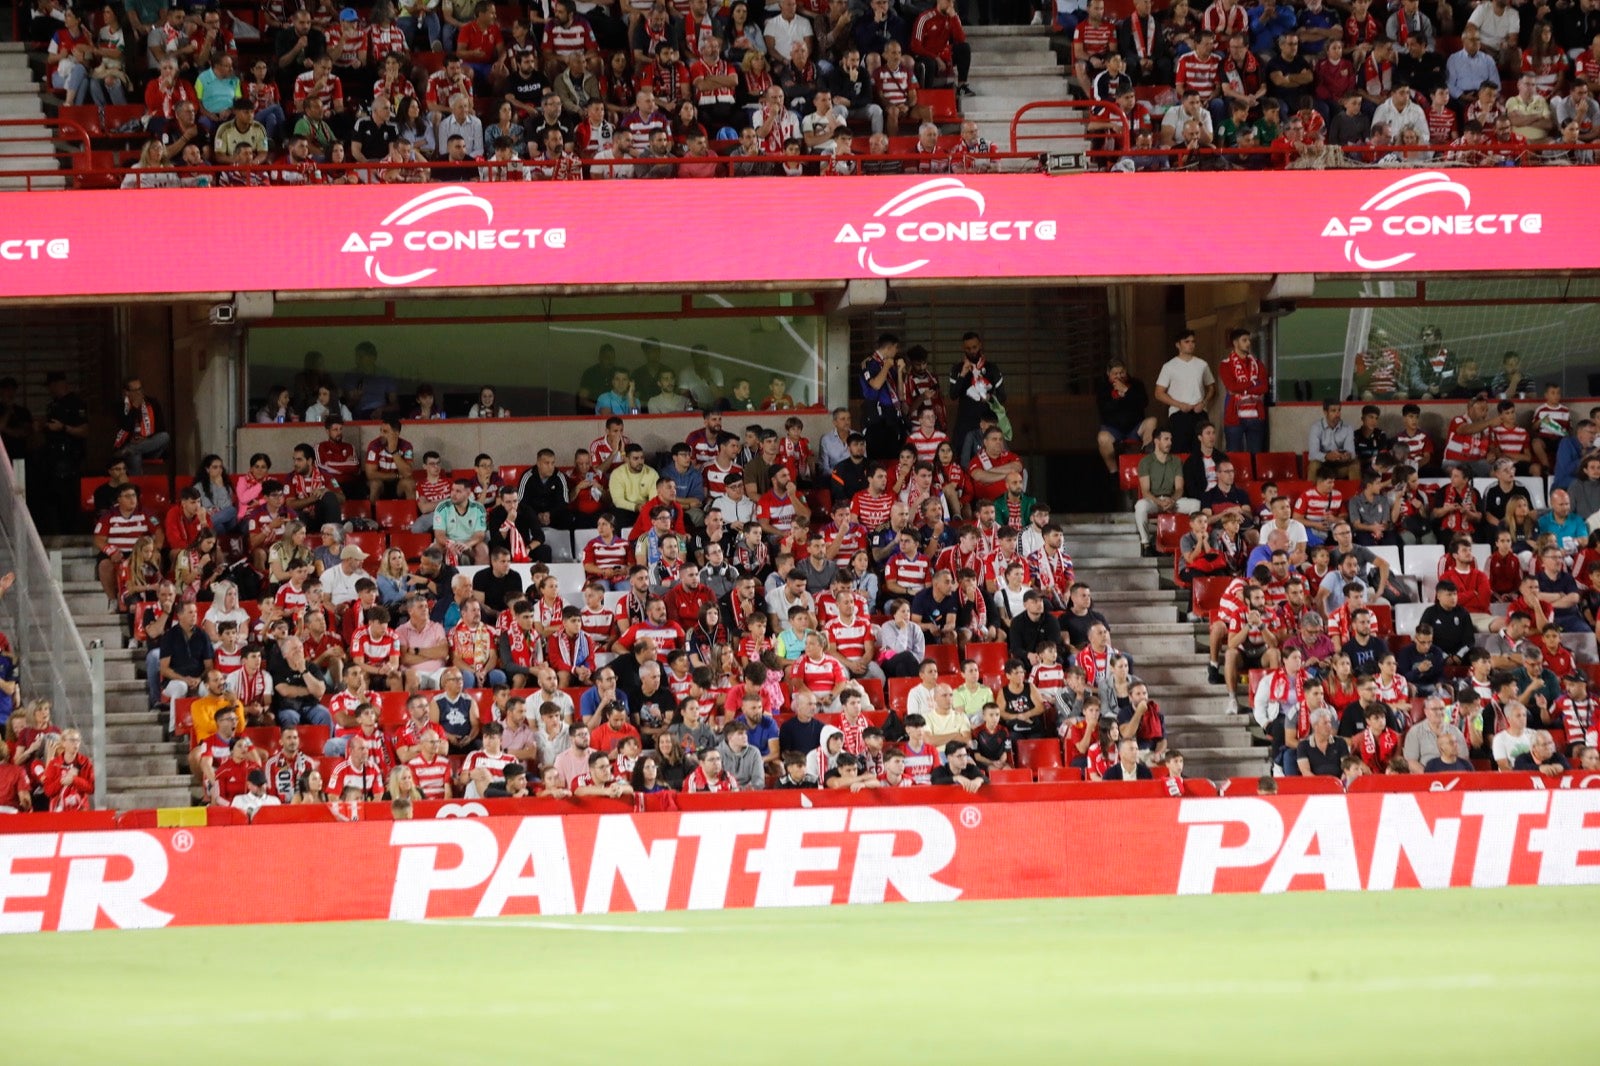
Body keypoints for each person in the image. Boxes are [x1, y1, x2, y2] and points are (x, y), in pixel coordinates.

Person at [1134, 428, 1200, 555]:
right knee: (1140, 506)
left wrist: (1172, 500)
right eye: (1166, 439)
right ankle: (1146, 544)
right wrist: (1159, 502)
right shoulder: (1145, 462)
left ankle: (1191, 541)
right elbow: (1145, 491)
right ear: (1156, 441)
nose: (1170, 442)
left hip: (1172, 500)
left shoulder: (1176, 461)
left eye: (1171, 439)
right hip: (1154, 501)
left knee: (1195, 504)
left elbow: (1179, 488)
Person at [1153, 329, 1215, 454]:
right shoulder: (1169, 366)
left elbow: (1212, 388)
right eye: (1187, 342)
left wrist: (1204, 402)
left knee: (1202, 451)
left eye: (1193, 341)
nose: (1191, 344)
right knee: (1180, 452)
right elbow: (1158, 393)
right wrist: (1179, 405)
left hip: (1200, 413)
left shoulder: (1202, 364)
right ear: (1178, 344)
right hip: (1178, 414)